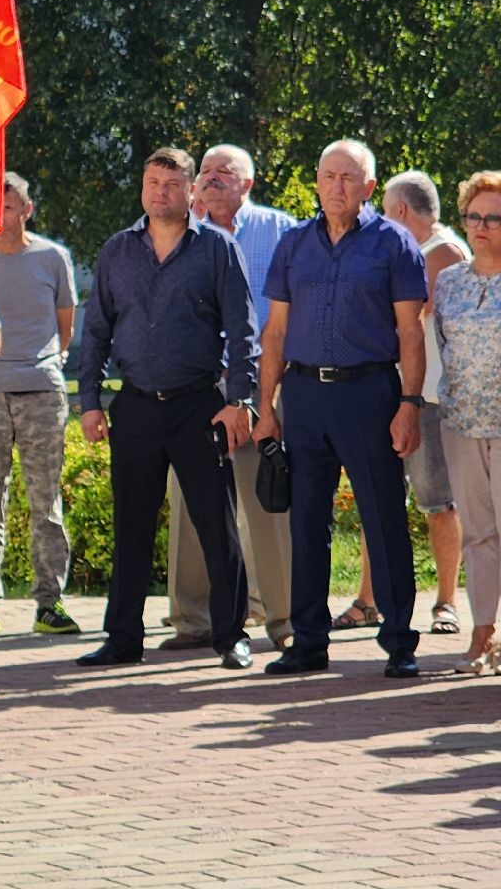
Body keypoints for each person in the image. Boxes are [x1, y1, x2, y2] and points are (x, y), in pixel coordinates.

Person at [76, 149, 257, 670]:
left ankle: (231, 636)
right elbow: (95, 332)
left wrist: (239, 402)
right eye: (152, 182)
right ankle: (122, 639)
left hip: (198, 406)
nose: (161, 192)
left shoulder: (218, 250)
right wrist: (90, 402)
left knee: (215, 524)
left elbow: (243, 332)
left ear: (192, 192)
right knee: (131, 525)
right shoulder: (117, 251)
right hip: (134, 405)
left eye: (172, 184)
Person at [257, 140, 428, 680]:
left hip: (369, 392)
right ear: (316, 180)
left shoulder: (393, 243)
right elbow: (276, 330)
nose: (338, 187)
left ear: (369, 188)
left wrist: (410, 403)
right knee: (307, 520)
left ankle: (400, 641)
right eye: (329, 176)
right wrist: (266, 406)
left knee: (383, 517)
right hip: (303, 394)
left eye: (349, 178)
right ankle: (308, 641)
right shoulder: (294, 245)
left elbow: (410, 331)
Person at [162, 144, 296, 651]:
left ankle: (284, 621)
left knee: (268, 500)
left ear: (249, 184)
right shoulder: (175, 233)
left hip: (263, 387)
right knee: (190, 503)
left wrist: (263, 393)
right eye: (207, 171)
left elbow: (290, 314)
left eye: (227, 171)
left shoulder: (283, 233)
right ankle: (192, 621)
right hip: (192, 391)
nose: (213, 178)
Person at [336, 170, 466, 638]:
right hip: (391, 393)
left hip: (426, 399)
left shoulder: (444, 253)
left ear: (401, 212)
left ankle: (447, 602)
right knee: (378, 498)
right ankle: (368, 601)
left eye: (382, 209)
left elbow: (406, 319)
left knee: (437, 504)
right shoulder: (408, 251)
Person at [433, 171, 501, 676]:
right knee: (477, 532)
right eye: (473, 216)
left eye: (493, 218)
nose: (480, 227)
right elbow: (443, 346)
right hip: (459, 420)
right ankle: (481, 632)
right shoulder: (449, 281)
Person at [0, 172, 80, 637]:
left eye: (10, 206)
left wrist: (45, 361)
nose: (1, 216)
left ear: (27, 209)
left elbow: (65, 323)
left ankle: (49, 602)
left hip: (40, 390)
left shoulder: (52, 257)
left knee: (45, 502)